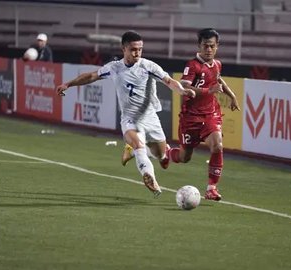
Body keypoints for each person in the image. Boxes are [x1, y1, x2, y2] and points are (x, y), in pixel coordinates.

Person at [56, 30, 195, 197]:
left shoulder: (148, 66)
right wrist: (68, 84)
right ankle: (150, 177)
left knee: (160, 154)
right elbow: (92, 76)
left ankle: (133, 152)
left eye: (140, 49)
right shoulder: (115, 68)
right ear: (124, 49)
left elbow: (169, 81)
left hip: (150, 117)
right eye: (133, 49)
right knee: (139, 145)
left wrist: (181, 91)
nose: (137, 53)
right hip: (129, 119)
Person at [123, 28, 240, 201]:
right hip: (190, 117)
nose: (209, 49)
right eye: (205, 46)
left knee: (217, 145)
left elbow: (218, 78)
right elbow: (185, 88)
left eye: (212, 46)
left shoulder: (217, 64)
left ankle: (211, 188)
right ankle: (158, 152)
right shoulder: (192, 65)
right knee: (184, 157)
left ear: (217, 46)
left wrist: (232, 96)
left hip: (210, 114)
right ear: (199, 46)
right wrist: (210, 90)